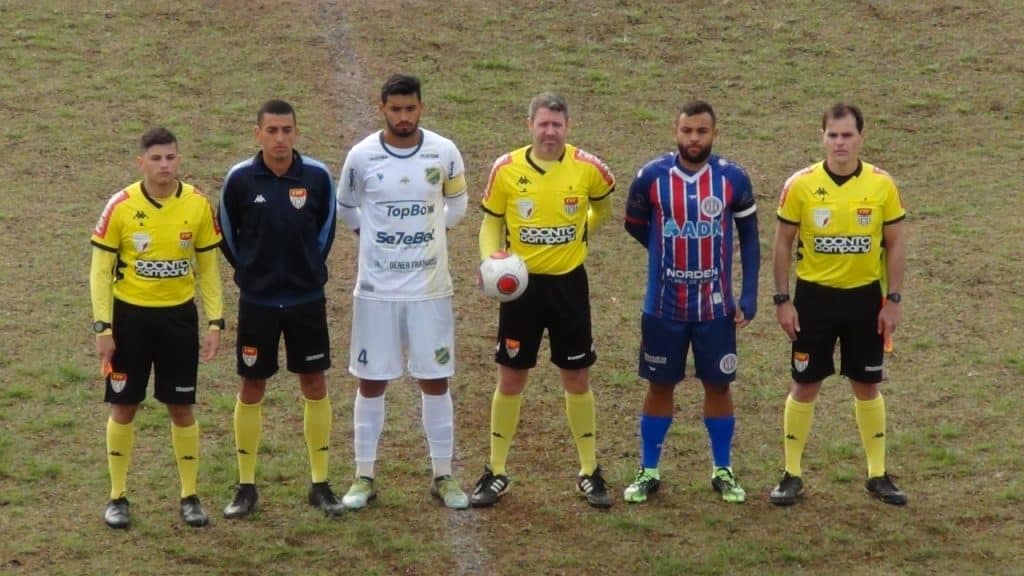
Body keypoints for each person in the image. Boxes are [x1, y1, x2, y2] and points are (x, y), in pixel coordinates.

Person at [470, 91, 616, 509]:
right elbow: (490, 223)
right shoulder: (506, 169)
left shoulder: (590, 170)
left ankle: (589, 470)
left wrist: (584, 230)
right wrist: (491, 261)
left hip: (569, 287)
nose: (549, 131)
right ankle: (496, 471)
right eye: (543, 123)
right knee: (511, 378)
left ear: (568, 126)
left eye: (557, 124)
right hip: (521, 291)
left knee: (577, 378)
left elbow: (602, 210)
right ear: (529, 124)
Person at [335, 74, 470, 510]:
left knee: (435, 379)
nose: (404, 117)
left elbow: (458, 204)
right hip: (376, 291)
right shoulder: (361, 156)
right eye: (396, 109)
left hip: (430, 289)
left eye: (410, 108)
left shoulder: (444, 152)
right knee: (372, 381)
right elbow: (346, 206)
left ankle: (444, 475)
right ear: (382, 109)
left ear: (421, 108)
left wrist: (432, 234)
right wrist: (372, 239)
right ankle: (363, 475)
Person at [622, 100, 760, 505]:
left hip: (715, 308)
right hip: (663, 307)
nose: (694, 139)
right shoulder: (651, 177)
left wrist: (748, 296)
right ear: (675, 131)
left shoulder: (733, 178)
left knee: (718, 386)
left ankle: (722, 469)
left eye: (702, 131)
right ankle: (648, 470)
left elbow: (750, 239)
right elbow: (635, 225)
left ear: (714, 133)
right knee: (659, 384)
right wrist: (665, 255)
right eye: (687, 131)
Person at [769, 103, 907, 506]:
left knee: (867, 384)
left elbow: (896, 244)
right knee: (805, 383)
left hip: (865, 298)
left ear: (861, 137)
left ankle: (878, 474)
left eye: (847, 135)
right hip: (813, 299)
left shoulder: (882, 185)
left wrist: (893, 300)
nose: (840, 142)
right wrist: (783, 300)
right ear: (822, 136)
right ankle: (791, 474)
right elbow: (782, 242)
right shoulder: (801, 184)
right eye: (833, 134)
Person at [90, 127, 223, 529]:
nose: (165, 165)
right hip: (130, 319)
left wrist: (216, 320)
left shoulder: (197, 204)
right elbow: (100, 270)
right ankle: (117, 497)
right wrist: (103, 327)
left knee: (181, 407)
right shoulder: (122, 206)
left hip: (179, 319)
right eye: (157, 158)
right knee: (124, 404)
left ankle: (189, 496)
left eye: (171, 158)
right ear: (141, 162)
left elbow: (209, 268)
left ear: (179, 159)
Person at [218, 99, 345, 518]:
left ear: (296, 131)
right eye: (271, 131)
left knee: (314, 383)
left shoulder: (317, 176)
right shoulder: (239, 180)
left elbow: (326, 231)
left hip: (307, 300)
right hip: (258, 302)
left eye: (287, 130)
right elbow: (229, 237)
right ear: (257, 133)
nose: (279, 139)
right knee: (252, 387)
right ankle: (246, 486)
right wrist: (252, 274)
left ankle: (320, 483)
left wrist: (308, 272)